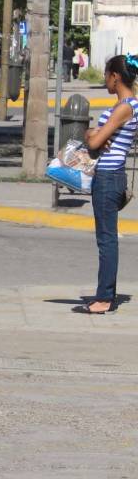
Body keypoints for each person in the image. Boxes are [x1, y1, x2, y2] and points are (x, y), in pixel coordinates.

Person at [80, 55, 138, 313]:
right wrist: (92, 134)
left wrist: (93, 135)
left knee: (107, 240)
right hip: (109, 176)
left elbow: (94, 141)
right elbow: (91, 135)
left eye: (106, 75)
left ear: (115, 76)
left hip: (108, 176)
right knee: (106, 238)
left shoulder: (125, 107)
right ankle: (105, 295)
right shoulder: (127, 105)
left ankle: (104, 299)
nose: (105, 80)